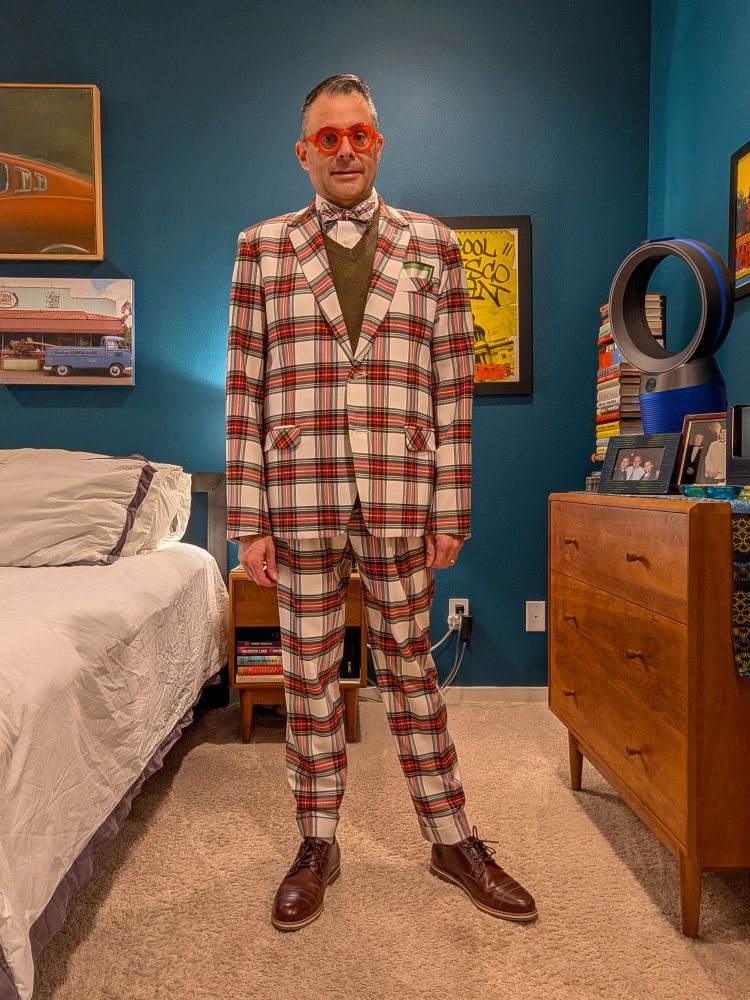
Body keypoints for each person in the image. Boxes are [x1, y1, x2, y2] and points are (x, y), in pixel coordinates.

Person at [225, 74, 537, 933]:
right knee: (311, 680)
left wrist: (451, 506)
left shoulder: (432, 243)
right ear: (304, 152)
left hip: (403, 496)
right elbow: (244, 387)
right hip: (298, 497)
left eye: (359, 133)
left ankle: (451, 837)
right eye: (328, 138)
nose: (346, 149)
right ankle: (316, 842)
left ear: (380, 142)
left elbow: (452, 387)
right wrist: (248, 518)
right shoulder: (260, 247)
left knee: (412, 672)